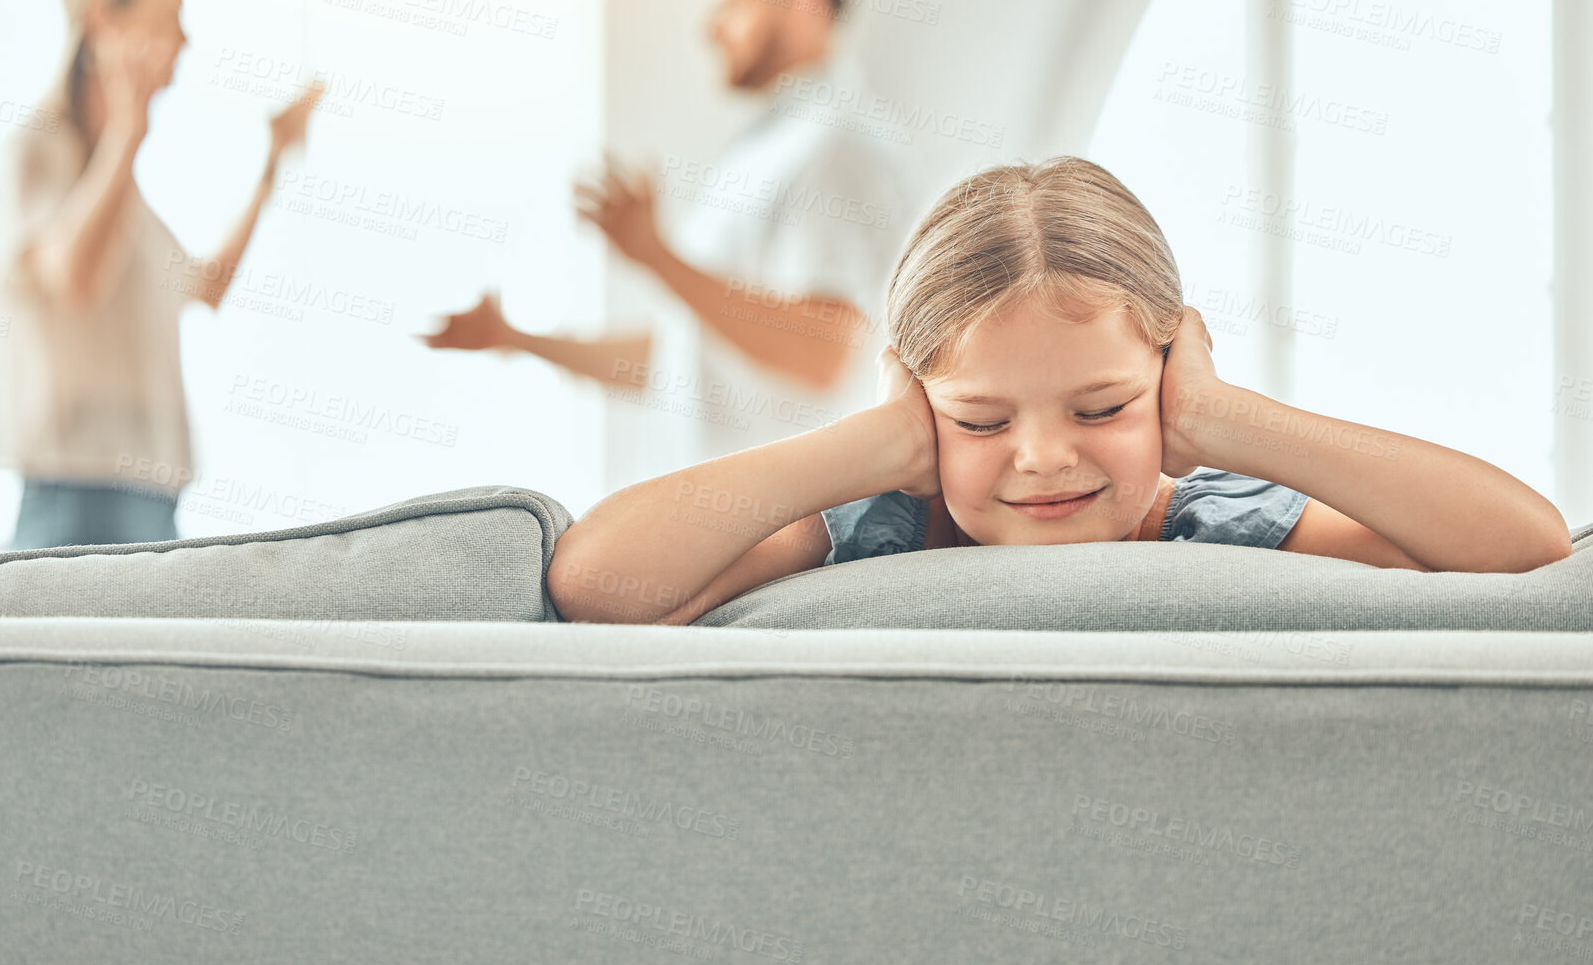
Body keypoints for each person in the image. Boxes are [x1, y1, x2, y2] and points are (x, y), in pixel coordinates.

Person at [547, 157, 1574, 625]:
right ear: (917, 406)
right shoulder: (875, 525)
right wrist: (866, 450)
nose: (1044, 457)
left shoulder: (1209, 520)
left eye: (1102, 410)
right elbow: (598, 581)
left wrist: (1225, 422)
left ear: (1169, 379)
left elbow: (1524, 547)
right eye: (980, 420)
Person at [421, 0, 916, 467]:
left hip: (785, 531)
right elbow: (685, 359)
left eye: (732, 2)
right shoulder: (770, 147)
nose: (711, 29)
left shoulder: (839, 146)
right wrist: (518, 339)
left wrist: (656, 256)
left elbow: (820, 354)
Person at [0, 0, 322, 549]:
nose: (185, 40)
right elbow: (76, 281)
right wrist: (127, 132)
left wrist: (272, 159)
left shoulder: (124, 198)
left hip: (151, 496)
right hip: (78, 493)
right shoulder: (38, 150)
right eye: (169, 18)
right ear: (99, 22)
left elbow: (208, 286)